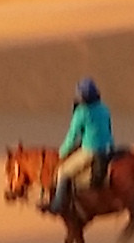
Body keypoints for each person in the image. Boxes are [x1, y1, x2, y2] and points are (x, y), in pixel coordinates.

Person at [46, 77, 114, 214]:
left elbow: (72, 137)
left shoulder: (81, 113)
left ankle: (57, 204)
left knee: (63, 172)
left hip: (91, 150)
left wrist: (61, 153)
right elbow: (108, 128)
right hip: (109, 147)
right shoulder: (104, 108)